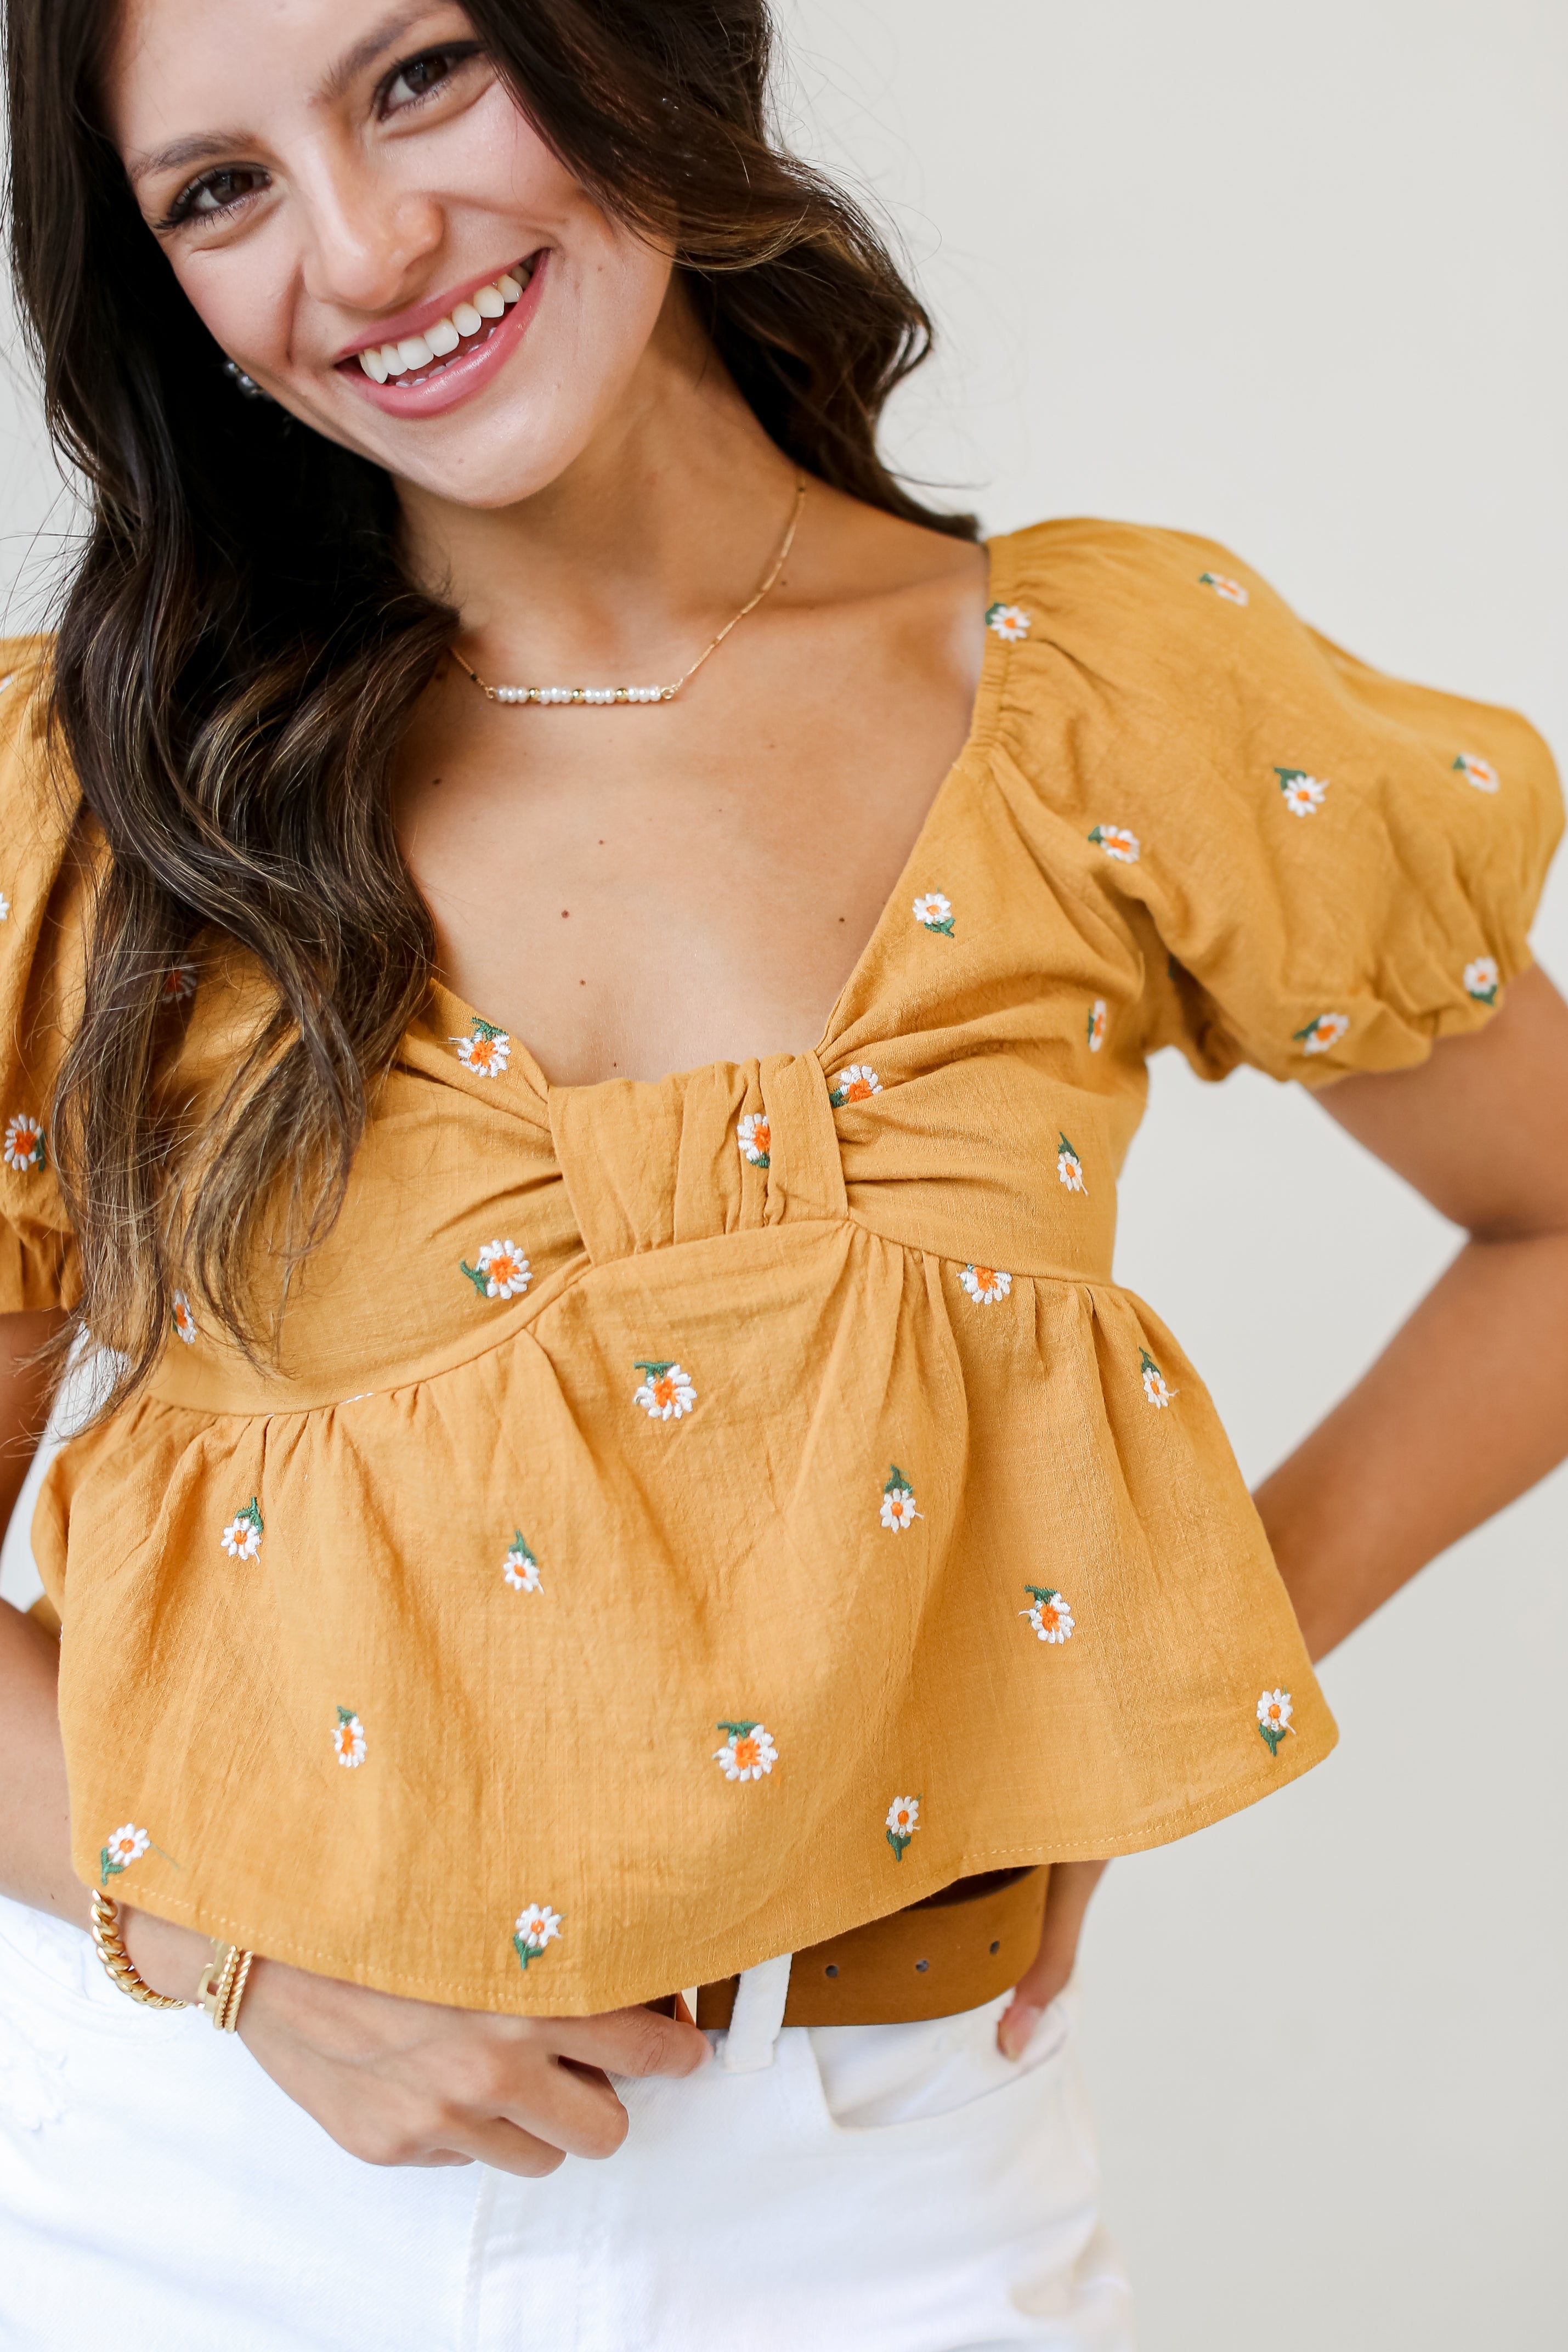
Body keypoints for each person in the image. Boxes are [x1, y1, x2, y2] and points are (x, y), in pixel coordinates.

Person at [1, 2, 1564, 2345]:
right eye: (218, 191)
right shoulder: (96, 799)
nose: (365, 245)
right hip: (191, 2172)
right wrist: (243, 1959)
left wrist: (1147, 1677)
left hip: (883, 2195)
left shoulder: (1095, 695)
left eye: (420, 75)